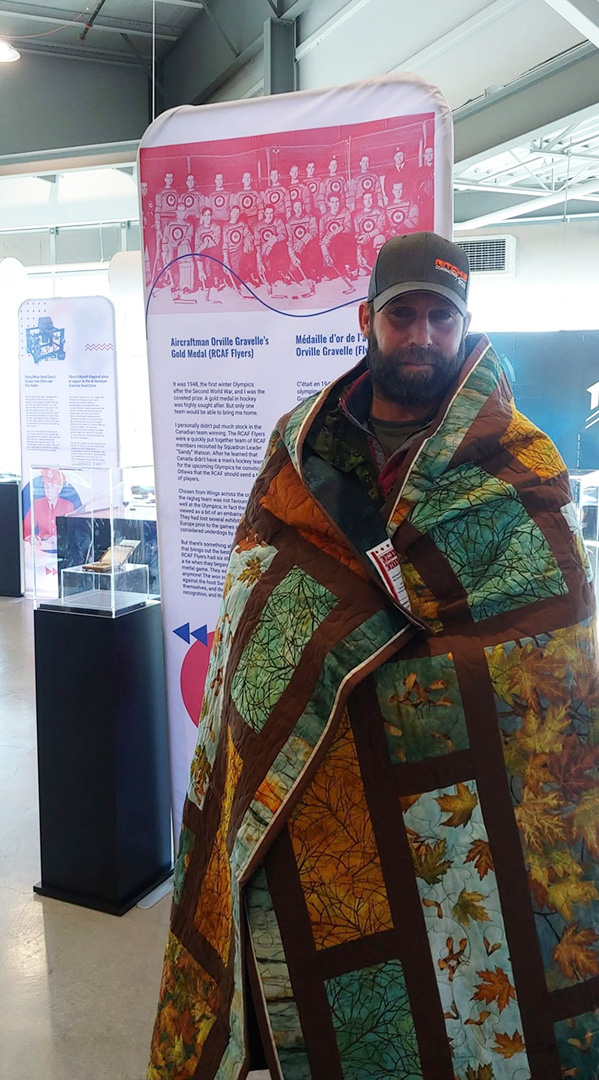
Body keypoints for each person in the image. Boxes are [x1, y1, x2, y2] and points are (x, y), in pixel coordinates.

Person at [148, 231, 599, 1080]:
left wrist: (395, 679)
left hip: (442, 803)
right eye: (403, 315)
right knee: (320, 984)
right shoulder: (300, 446)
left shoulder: (518, 460)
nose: (421, 334)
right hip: (311, 789)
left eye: (440, 317)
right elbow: (253, 589)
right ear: (367, 321)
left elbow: (550, 643)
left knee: (448, 988)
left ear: (463, 326)